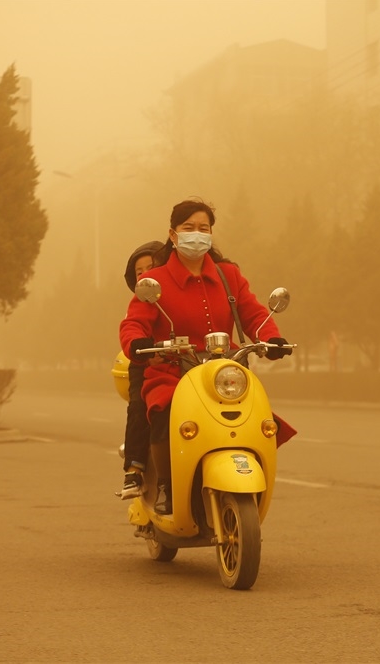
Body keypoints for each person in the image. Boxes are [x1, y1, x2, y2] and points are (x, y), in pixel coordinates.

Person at [119, 199, 292, 514]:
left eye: (204, 228)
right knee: (163, 412)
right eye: (189, 228)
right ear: (173, 235)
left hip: (224, 372)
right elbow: (133, 323)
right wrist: (138, 342)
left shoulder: (229, 275)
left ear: (211, 234)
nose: (196, 234)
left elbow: (253, 314)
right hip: (172, 372)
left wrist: (271, 338)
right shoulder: (154, 280)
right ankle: (166, 487)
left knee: (258, 417)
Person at [118, 240, 166, 499]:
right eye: (140, 271)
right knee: (140, 407)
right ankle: (134, 469)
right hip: (145, 363)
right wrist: (140, 347)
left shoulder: (179, 296)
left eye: (153, 266)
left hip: (188, 364)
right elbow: (131, 327)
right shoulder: (139, 302)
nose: (147, 273)